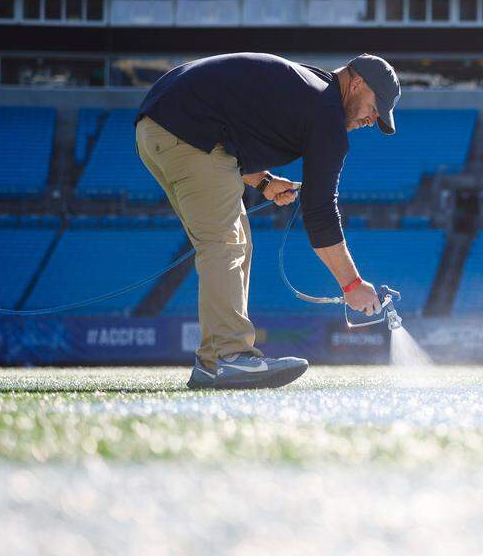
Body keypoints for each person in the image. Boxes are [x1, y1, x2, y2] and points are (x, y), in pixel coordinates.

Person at [135, 52, 401, 390]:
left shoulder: (311, 87)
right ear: (357, 82)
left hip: (162, 125)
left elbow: (233, 125)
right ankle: (229, 358)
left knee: (237, 243)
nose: (371, 120)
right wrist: (351, 285)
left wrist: (264, 183)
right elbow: (319, 211)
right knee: (225, 244)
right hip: (184, 129)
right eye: (374, 108)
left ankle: (212, 361)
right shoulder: (327, 114)